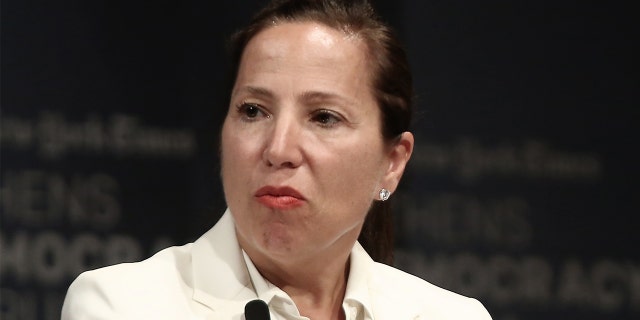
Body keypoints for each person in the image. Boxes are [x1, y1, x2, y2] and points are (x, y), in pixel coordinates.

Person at [62, 0, 492, 319]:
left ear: (392, 163)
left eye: (323, 117)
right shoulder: (123, 305)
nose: (278, 149)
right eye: (253, 111)